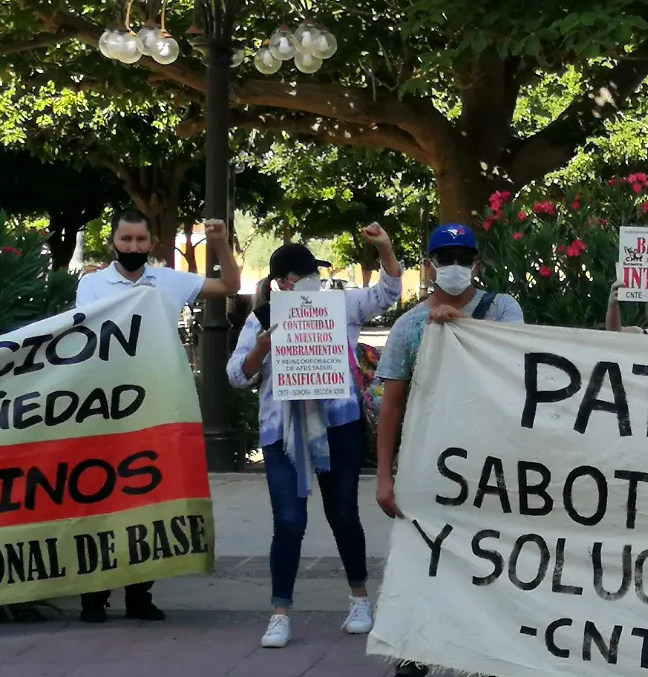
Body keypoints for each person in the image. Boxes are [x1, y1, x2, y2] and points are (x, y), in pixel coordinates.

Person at [372, 223, 531, 677]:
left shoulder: (501, 309)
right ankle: (409, 668)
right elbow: (391, 404)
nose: (455, 266)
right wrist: (384, 476)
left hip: (490, 465)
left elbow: (517, 363)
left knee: (493, 565)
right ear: (430, 264)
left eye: (464, 256)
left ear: (477, 265)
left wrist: (459, 328)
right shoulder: (410, 326)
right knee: (421, 564)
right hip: (427, 465)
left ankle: (495, 670)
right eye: (446, 257)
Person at [227, 227, 402, 649]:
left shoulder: (338, 305)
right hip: (282, 433)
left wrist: (384, 247)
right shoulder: (260, 319)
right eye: (304, 275)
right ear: (282, 282)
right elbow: (235, 375)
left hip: (337, 425)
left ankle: (360, 600)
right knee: (288, 520)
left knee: (343, 513)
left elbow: (388, 292)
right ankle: (279, 612)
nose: (312, 281)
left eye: (314, 274)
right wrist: (264, 346)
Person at [74, 208, 240, 623]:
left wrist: (218, 242)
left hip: (156, 409)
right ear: (112, 241)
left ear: (151, 243)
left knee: (148, 499)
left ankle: (139, 594)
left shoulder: (168, 279)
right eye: (126, 240)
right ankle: (94, 596)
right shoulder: (92, 286)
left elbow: (231, 286)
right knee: (102, 499)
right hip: (105, 412)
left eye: (140, 241)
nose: (133, 247)